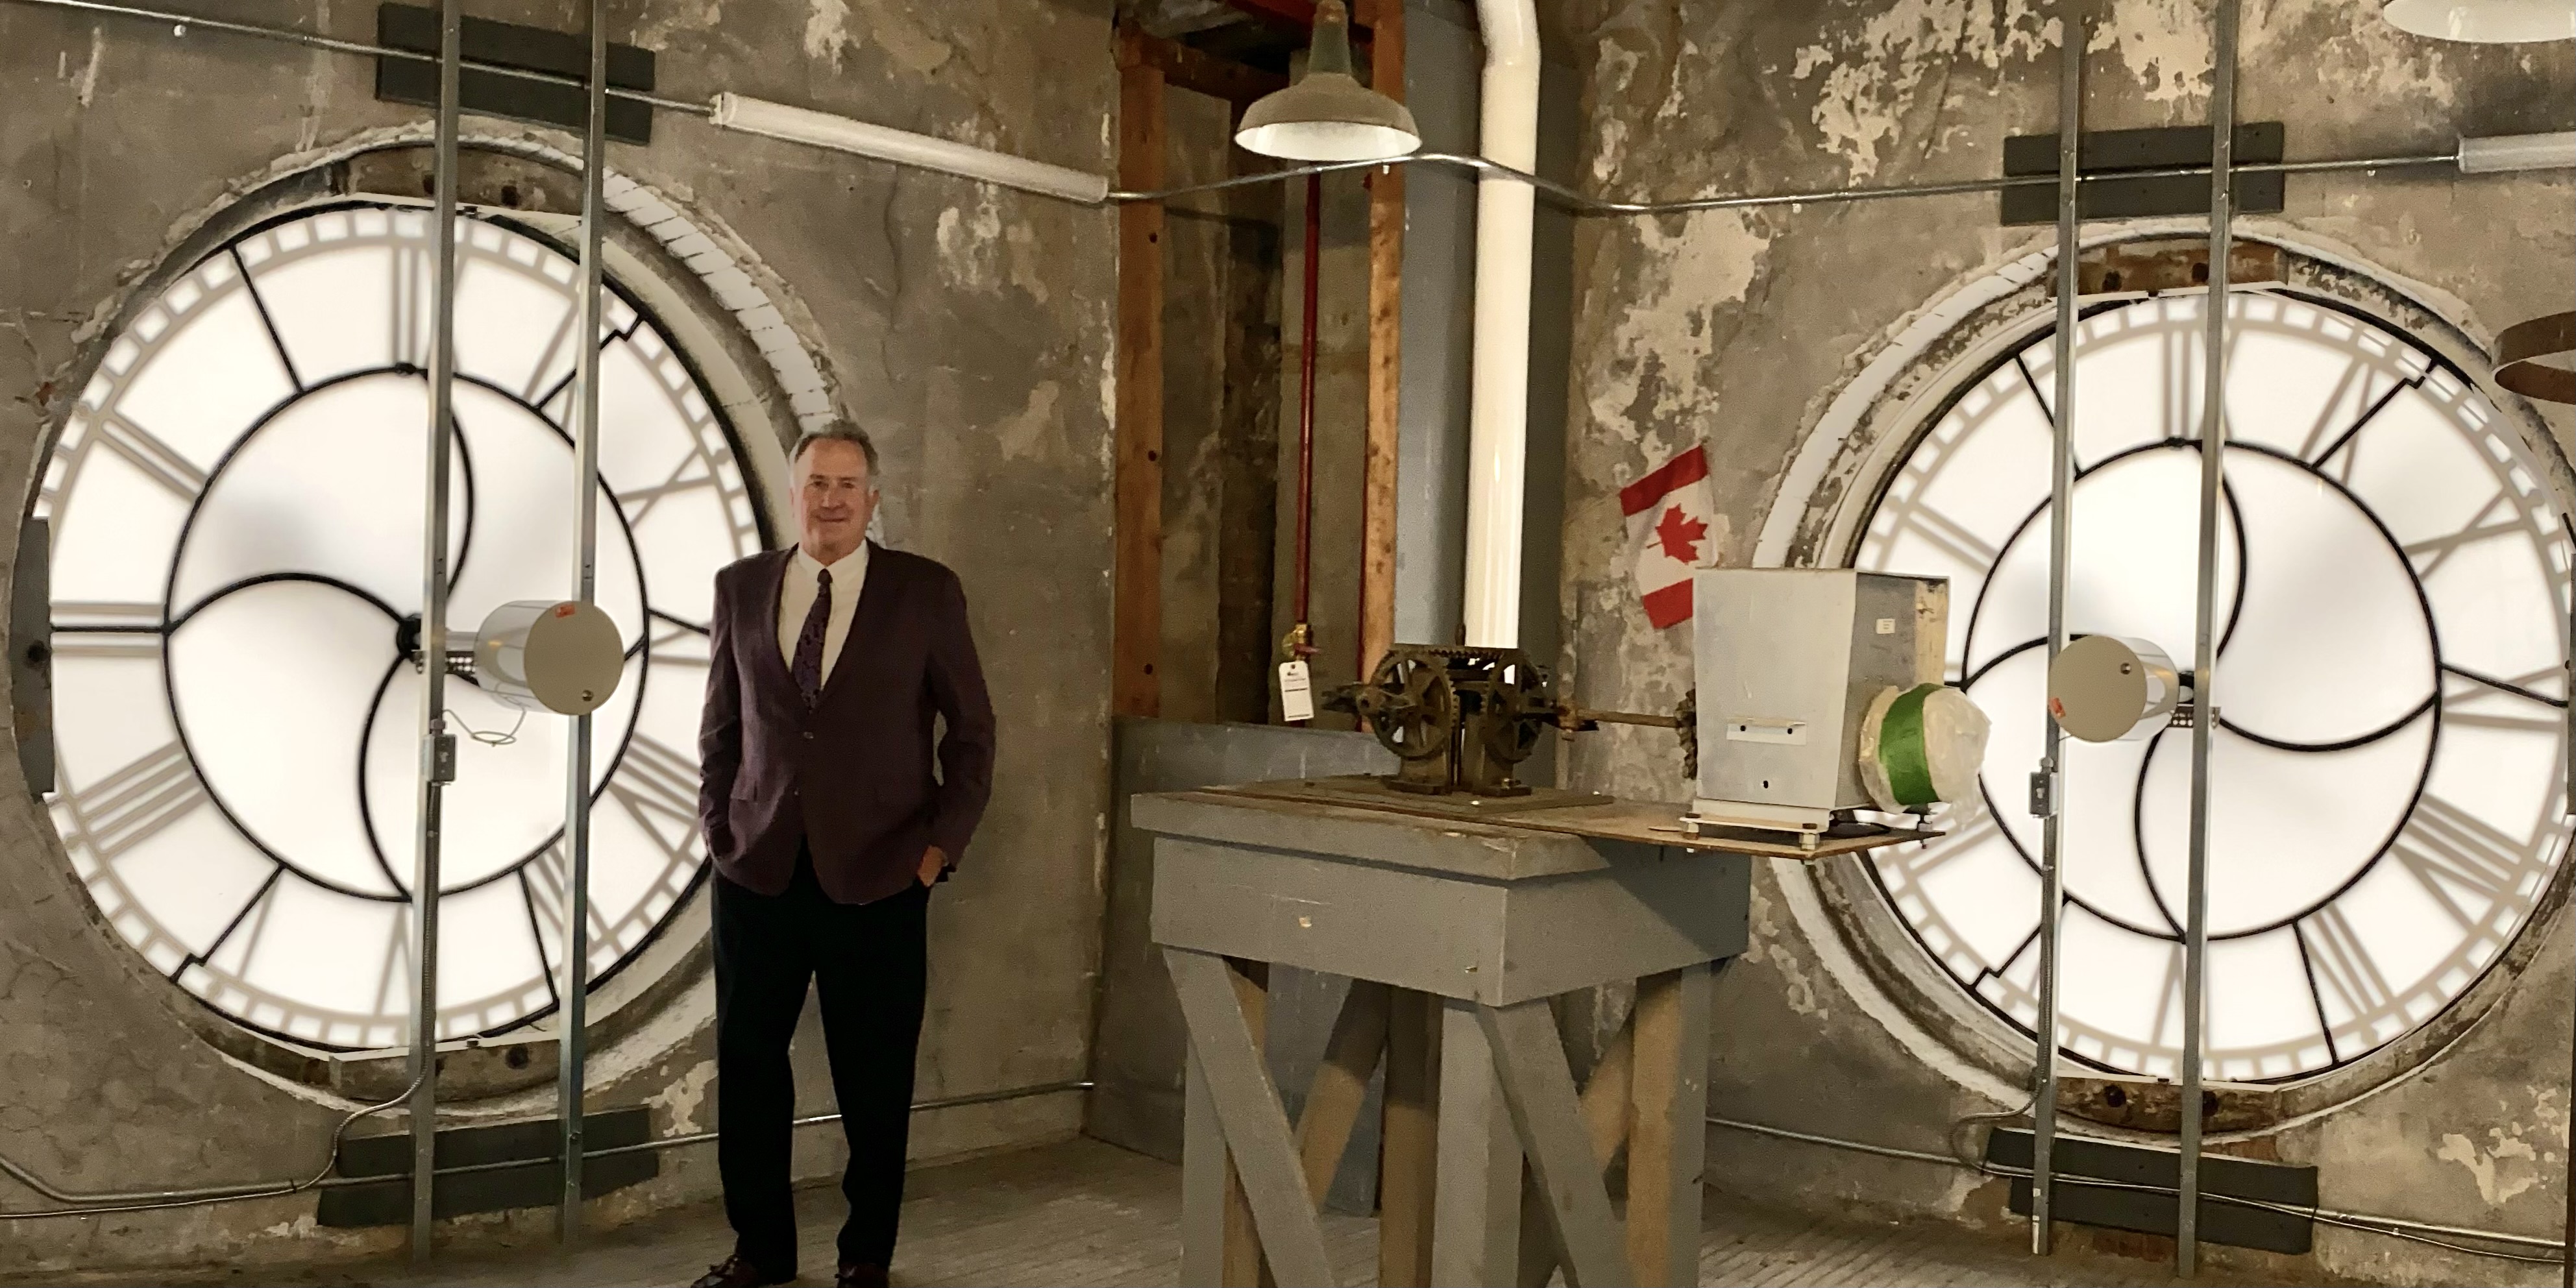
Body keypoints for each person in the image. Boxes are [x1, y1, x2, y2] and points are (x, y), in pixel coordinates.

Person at [691, 422, 996, 1288]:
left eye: (848, 484)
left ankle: (865, 1256)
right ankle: (760, 1252)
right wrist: (719, 825)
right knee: (750, 1072)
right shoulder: (742, 586)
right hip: (756, 873)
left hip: (881, 875)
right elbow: (720, 725)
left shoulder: (924, 592)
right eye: (816, 482)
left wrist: (937, 851)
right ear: (794, 493)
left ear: (873, 498)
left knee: (874, 1083)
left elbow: (971, 734)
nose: (831, 497)